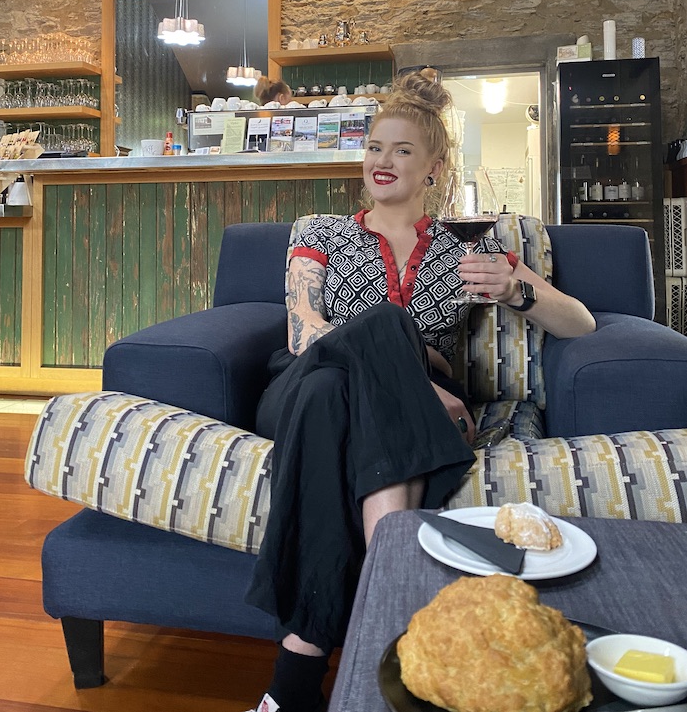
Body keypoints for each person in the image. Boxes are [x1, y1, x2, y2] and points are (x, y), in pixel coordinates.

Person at [243, 73, 596, 712]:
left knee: (334, 395)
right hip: (299, 387)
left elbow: (580, 322)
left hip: (342, 408)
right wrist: (415, 378)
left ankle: (293, 684)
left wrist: (517, 288)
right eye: (376, 146)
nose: (383, 160)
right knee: (353, 352)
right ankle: (394, 592)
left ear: (433, 167)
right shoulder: (318, 231)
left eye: (403, 150)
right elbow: (305, 335)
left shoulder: (464, 247)